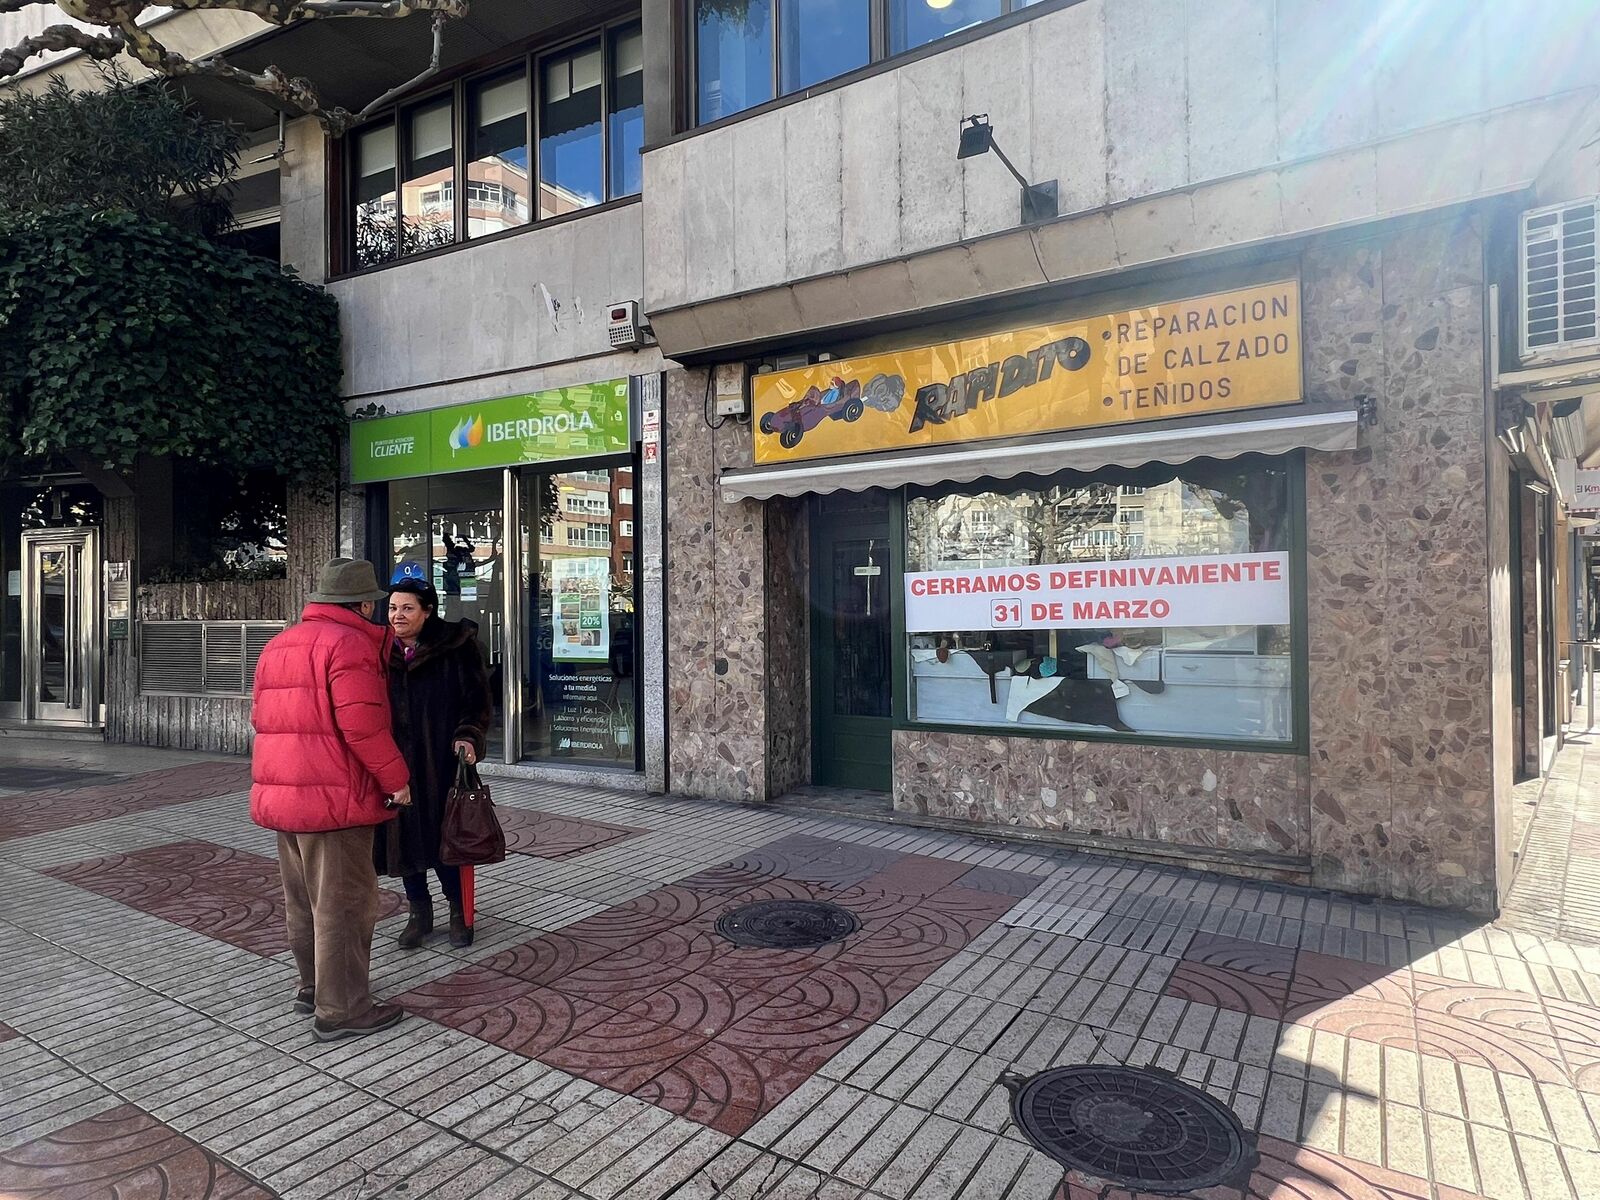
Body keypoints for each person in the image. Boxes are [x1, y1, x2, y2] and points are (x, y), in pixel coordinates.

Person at [250, 558, 412, 1042]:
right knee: (343, 905)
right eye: (375, 605)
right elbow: (362, 726)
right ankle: (341, 1009)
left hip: (285, 795)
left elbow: (260, 717)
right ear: (363, 603)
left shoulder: (279, 644)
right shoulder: (349, 645)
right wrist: (396, 779)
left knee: (302, 902)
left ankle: (313, 988)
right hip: (335, 800)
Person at [378, 575, 493, 949]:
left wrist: (469, 735)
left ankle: (459, 910)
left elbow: (476, 702)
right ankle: (418, 912)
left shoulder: (457, 646)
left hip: (442, 760)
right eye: (393, 607)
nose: (397, 615)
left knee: (448, 838)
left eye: (407, 608)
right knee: (404, 839)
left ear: (428, 612)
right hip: (396, 762)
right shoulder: (380, 649)